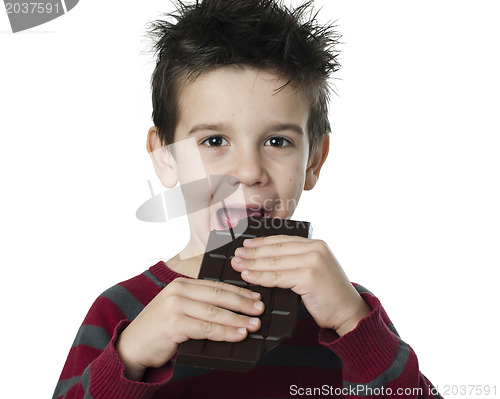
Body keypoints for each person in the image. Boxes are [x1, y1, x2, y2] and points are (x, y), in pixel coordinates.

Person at [53, 0, 441, 397]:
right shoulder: (121, 313)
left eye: (278, 141)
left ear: (314, 160)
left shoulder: (350, 313)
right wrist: (130, 357)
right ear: (166, 156)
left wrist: (352, 321)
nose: (248, 171)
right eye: (214, 141)